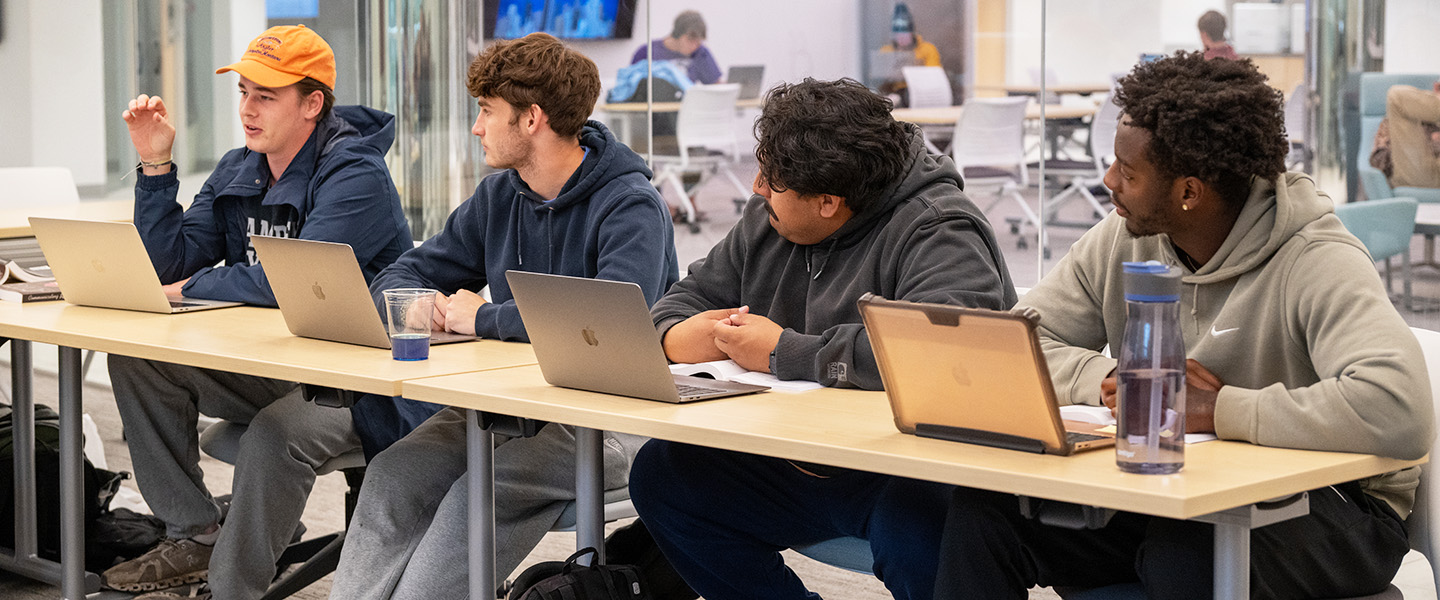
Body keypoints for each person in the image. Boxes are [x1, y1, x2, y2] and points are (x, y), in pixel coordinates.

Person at [933, 52, 1433, 600]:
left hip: (1334, 504)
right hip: (1176, 490)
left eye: (1128, 172)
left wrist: (1219, 410)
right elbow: (1017, 345)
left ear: (1189, 192)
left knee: (1191, 550)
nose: (1107, 182)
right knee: (987, 511)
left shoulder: (1316, 258)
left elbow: (1397, 406)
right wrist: (1120, 381)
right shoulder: (1126, 235)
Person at [628, 77, 1017, 600]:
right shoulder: (770, 219)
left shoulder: (939, 227)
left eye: (773, 179)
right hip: (798, 456)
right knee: (664, 477)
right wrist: (676, 338)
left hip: (907, 467)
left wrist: (782, 351)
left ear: (829, 201)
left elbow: (944, 355)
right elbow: (678, 302)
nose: (756, 186)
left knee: (929, 534)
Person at [327, 32, 679, 599]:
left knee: (481, 493)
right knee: (395, 473)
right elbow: (401, 273)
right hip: (506, 407)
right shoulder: (500, 197)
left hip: (612, 422)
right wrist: (421, 303)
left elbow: (612, 318)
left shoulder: (629, 202)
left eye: (487, 112)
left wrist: (484, 319)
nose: (475, 127)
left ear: (533, 118)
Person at [101, 25, 414, 600]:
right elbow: (165, 264)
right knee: (135, 358)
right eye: (244, 92)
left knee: (274, 435)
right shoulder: (237, 166)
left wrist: (197, 283)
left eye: (265, 96)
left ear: (312, 104)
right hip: (277, 365)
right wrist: (155, 166)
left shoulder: (355, 175)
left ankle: (232, 589)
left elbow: (292, 282)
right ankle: (195, 534)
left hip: (363, 384)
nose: (247, 109)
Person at [1374, 81, 1440, 189]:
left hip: (1429, 171)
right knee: (1396, 95)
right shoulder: (1406, 120)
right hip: (1423, 170)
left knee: (1396, 95)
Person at [629, 10, 721, 85]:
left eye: (698, 42)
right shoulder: (647, 52)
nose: (694, 46)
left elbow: (716, 87)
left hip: (688, 106)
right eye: (690, 40)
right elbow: (630, 86)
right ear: (677, 34)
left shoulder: (700, 52)